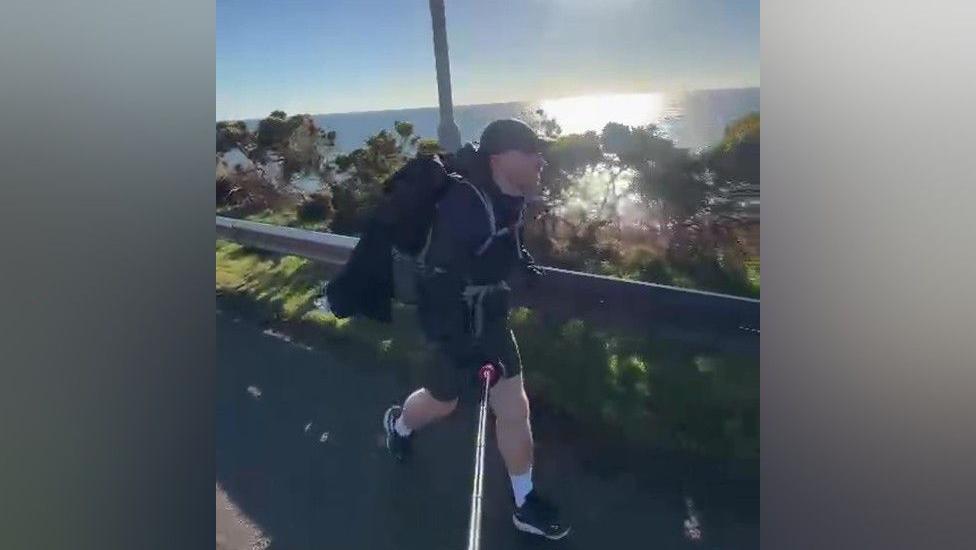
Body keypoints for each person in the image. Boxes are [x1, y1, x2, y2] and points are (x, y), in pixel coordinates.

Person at [382, 119, 571, 540]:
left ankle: (524, 502)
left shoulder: (510, 195)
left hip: (490, 318)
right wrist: (460, 344)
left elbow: (502, 244)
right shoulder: (462, 206)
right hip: (453, 325)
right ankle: (398, 425)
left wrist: (520, 266)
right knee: (443, 402)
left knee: (514, 407)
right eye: (531, 151)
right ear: (500, 158)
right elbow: (440, 280)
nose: (540, 159)